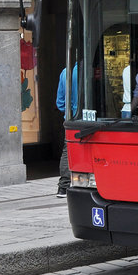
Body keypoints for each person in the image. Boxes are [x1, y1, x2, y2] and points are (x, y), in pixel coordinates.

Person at [55, 63, 78, 198]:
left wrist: (70, 112)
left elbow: (60, 103)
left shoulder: (65, 72)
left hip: (71, 119)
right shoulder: (88, 71)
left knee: (67, 150)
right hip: (91, 119)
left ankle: (63, 186)